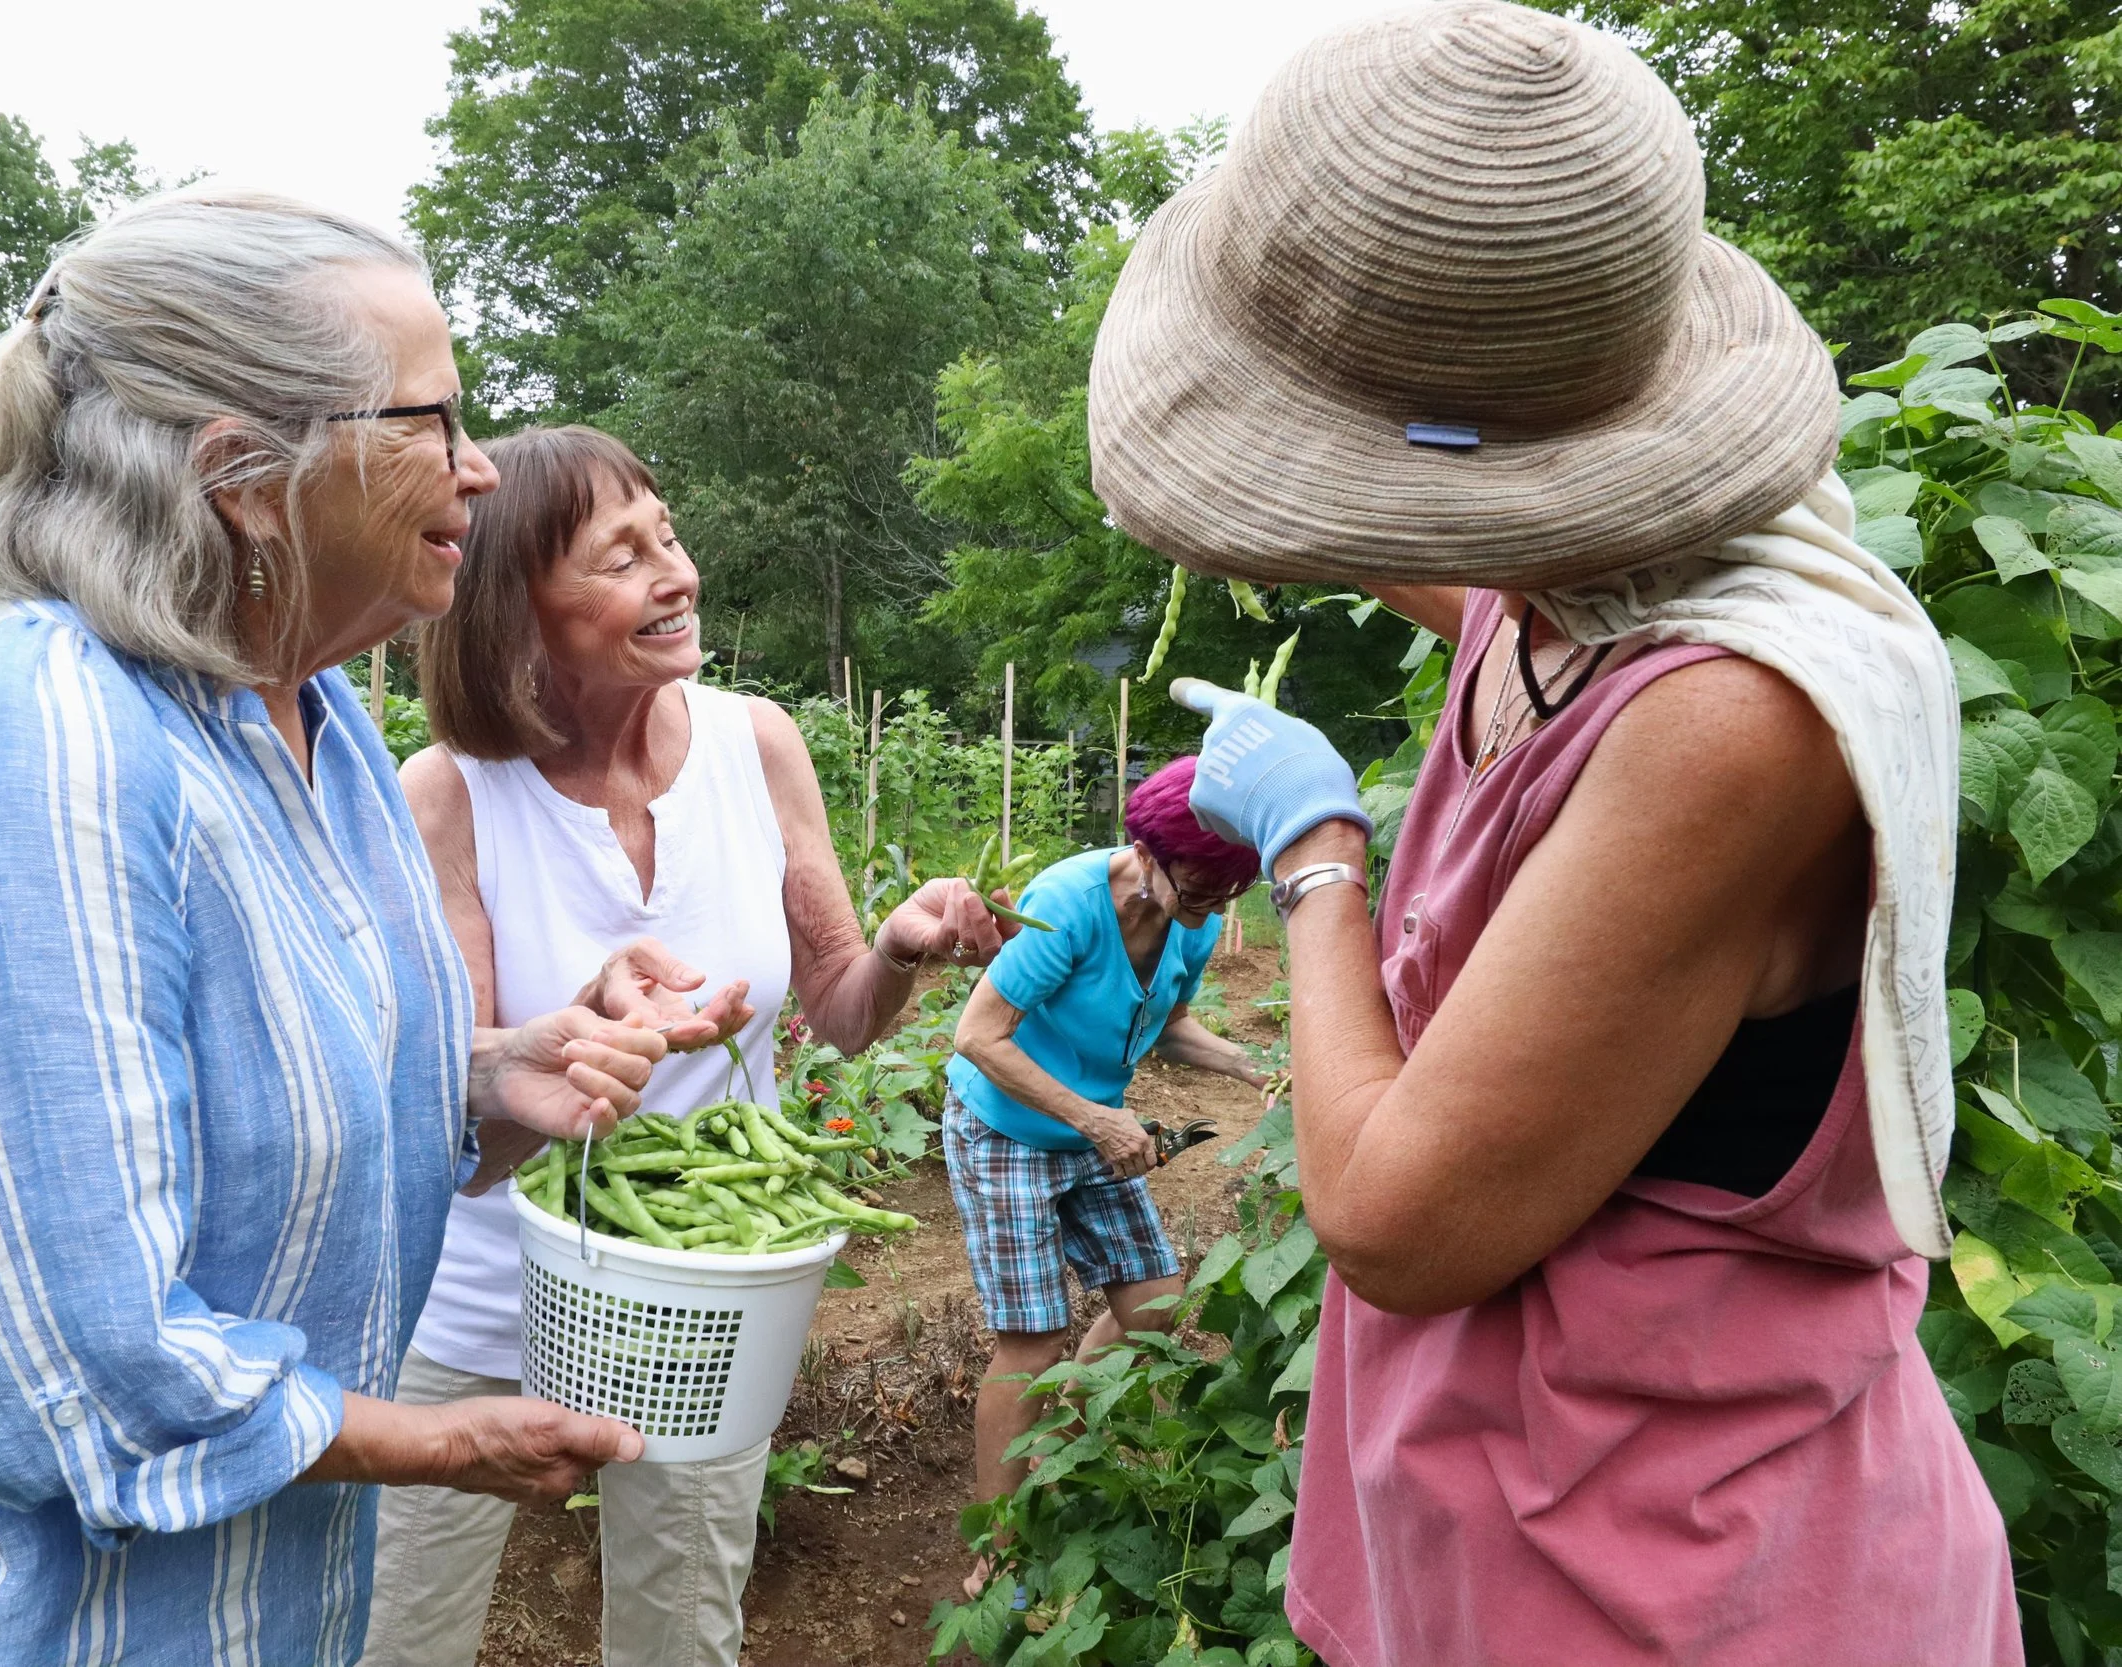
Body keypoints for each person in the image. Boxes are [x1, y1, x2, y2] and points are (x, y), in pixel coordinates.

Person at [1087, 5, 2019, 1664]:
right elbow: (1452, 543)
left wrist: (1311, 855)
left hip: (1697, 1589)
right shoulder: (1575, 595)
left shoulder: (1732, 722)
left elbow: (1397, 1220)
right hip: (1531, 1533)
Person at [0, 192, 678, 1667]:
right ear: (245, 476)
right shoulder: (31, 729)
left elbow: (248, 1105)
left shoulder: (317, 734)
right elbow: (66, 1356)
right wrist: (441, 1442)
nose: (481, 467)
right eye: (431, 423)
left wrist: (489, 1078)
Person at [364, 424, 1017, 1667]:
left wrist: (897, 945)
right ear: (518, 610)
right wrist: (570, 1060)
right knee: (404, 1631)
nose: (676, 573)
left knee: (683, 1629)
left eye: (667, 534)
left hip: (708, 1291)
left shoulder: (752, 741)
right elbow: (453, 1113)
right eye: (621, 558)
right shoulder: (445, 793)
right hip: (486, 1300)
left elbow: (831, 999)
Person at [945, 754, 1272, 1600]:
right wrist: (1094, 1118)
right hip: (1009, 1128)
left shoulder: (1191, 921)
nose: (1208, 911)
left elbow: (1171, 1026)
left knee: (1154, 1302)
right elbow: (979, 1035)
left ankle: (1054, 1447)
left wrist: (1252, 1064)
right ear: (1147, 850)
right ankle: (1000, 1548)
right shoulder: (1066, 904)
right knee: (1032, 1340)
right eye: (1196, 888)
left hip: (1096, 1128)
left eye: (1226, 895)